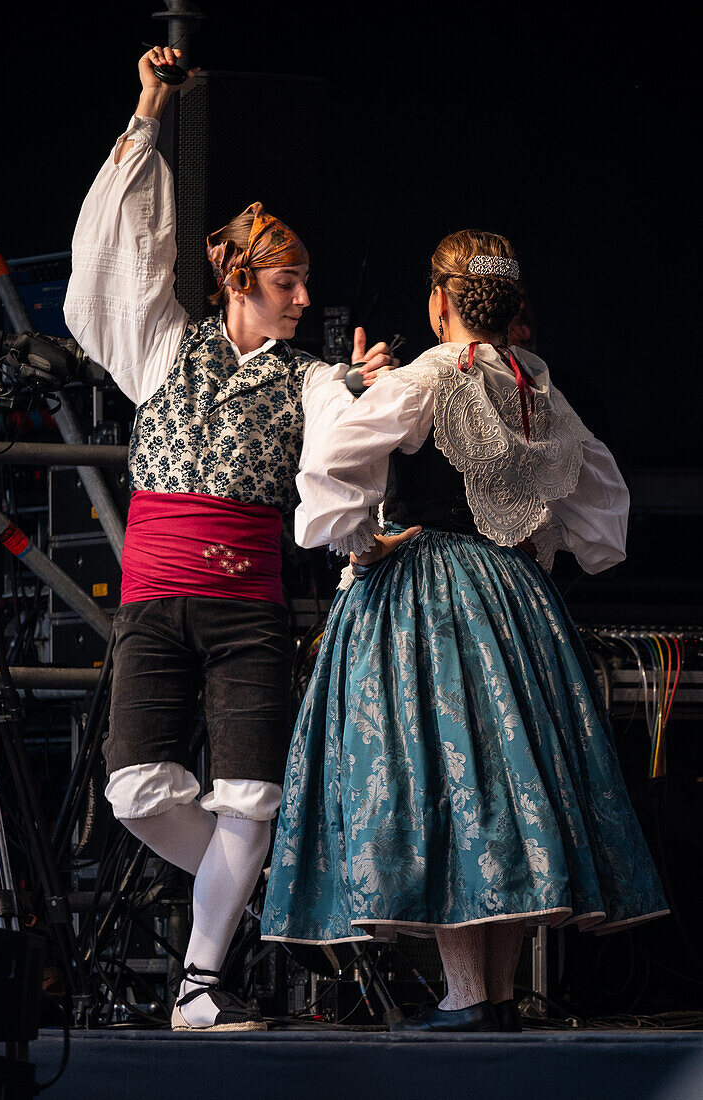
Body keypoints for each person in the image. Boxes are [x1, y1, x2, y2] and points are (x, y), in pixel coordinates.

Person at [63, 45, 399, 1033]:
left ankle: (200, 981)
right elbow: (119, 255)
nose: (302, 299)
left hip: (249, 608)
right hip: (154, 601)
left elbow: (351, 465)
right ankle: (279, 868)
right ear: (239, 282)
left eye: (304, 284)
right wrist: (149, 106)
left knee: (251, 791)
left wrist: (371, 396)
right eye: (287, 282)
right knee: (134, 791)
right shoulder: (164, 347)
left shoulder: (308, 379)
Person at [260, 228, 669, 1032]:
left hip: (428, 592)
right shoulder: (538, 385)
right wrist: (531, 547)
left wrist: (355, 541)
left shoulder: (429, 375)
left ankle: (466, 993)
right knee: (508, 787)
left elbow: (332, 460)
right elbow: (602, 516)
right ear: (510, 305)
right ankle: (497, 994)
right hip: (516, 597)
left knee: (444, 782)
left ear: (439, 302)